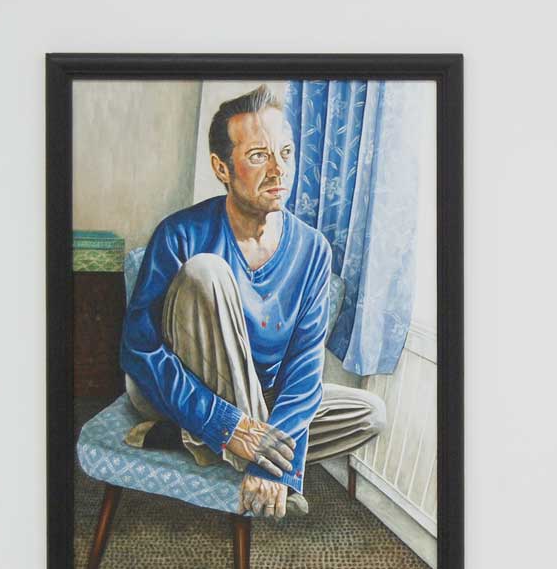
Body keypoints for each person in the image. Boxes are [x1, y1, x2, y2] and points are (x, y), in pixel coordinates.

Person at [120, 84, 385, 520]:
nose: (279, 171)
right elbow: (140, 351)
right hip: (170, 387)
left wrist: (262, 456)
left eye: (286, 153)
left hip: (262, 393)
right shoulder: (180, 233)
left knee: (369, 414)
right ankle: (230, 439)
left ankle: (190, 438)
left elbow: (304, 367)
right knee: (207, 271)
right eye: (259, 156)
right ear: (221, 168)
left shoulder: (313, 249)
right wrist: (234, 427)